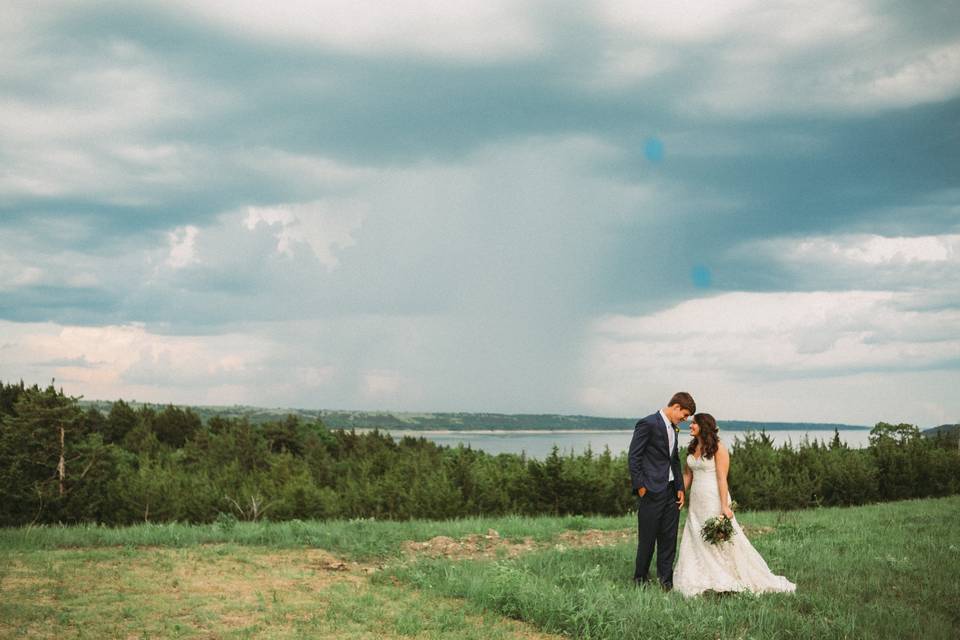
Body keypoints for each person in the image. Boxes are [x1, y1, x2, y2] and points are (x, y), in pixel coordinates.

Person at [673, 413, 796, 597]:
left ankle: (727, 575)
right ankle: (699, 575)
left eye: (693, 424)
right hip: (697, 501)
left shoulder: (718, 448)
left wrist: (724, 506)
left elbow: (722, 479)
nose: (690, 426)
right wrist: (681, 491)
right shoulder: (693, 447)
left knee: (717, 538)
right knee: (696, 535)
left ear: (703, 426)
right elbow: (688, 475)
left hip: (714, 498)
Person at [628, 392, 695, 590]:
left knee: (669, 538)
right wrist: (641, 487)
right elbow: (634, 457)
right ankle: (640, 579)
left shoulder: (673, 429)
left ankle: (666, 581)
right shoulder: (647, 423)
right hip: (651, 491)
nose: (684, 420)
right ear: (675, 407)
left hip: (671, 493)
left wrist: (680, 488)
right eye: (684, 415)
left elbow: (673, 459)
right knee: (647, 538)